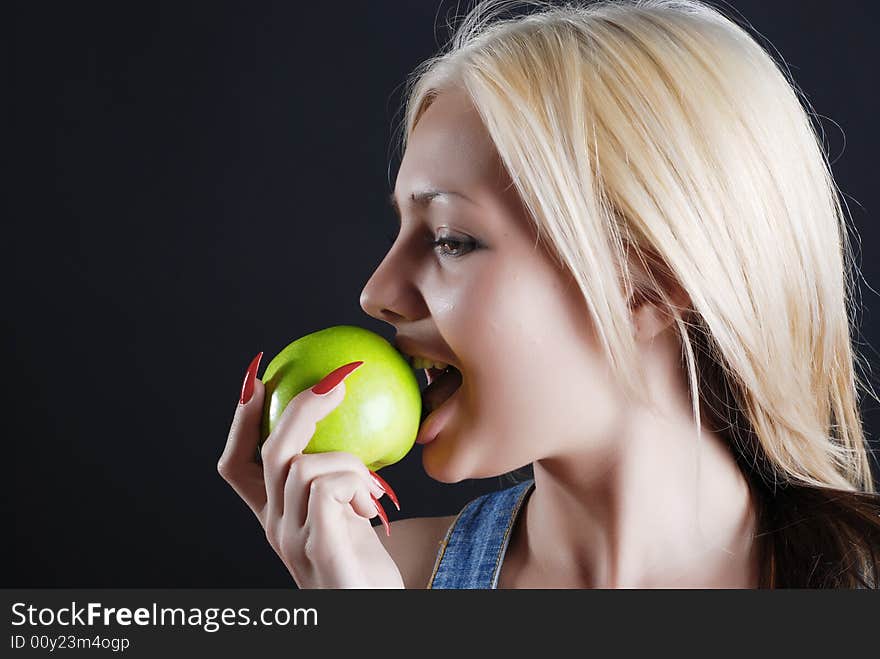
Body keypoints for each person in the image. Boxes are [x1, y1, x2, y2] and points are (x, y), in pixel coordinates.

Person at [219, 0, 880, 588]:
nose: (377, 292)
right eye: (403, 228)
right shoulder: (380, 580)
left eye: (450, 238)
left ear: (648, 283)